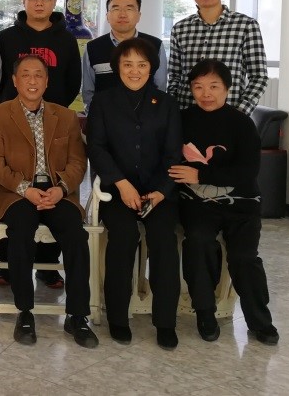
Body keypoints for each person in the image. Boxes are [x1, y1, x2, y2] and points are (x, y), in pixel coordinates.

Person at [0, 55, 98, 348]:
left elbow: (78, 162)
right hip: (15, 192)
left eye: (38, 75)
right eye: (25, 75)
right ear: (15, 81)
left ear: (46, 81)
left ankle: (78, 315)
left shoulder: (66, 117)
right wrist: (25, 189)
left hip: (58, 191)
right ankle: (25, 312)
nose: (32, 81)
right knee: (21, 232)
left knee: (75, 234)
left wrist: (61, 188)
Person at [170, 58, 278, 346]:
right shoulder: (182, 120)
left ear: (228, 89)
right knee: (198, 241)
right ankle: (205, 312)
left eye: (214, 86)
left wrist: (201, 174)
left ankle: (260, 320)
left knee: (244, 257)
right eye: (198, 87)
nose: (206, 93)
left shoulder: (242, 123)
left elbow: (248, 172)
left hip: (241, 203)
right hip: (196, 202)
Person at [86, 38, 182, 350]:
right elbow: (96, 148)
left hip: (158, 193)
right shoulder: (103, 102)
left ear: (152, 68)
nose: (134, 70)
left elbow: (173, 154)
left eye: (142, 64)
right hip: (118, 191)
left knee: (164, 240)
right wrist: (121, 183)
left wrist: (160, 191)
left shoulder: (166, 103)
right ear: (117, 67)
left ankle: (165, 322)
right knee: (123, 237)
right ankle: (117, 318)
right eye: (127, 64)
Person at [0, 0, 81, 289]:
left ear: (54, 2)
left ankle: (47, 267)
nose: (39, 2)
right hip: (13, 124)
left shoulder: (66, 39)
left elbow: (72, 82)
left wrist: (53, 116)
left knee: (52, 189)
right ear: (24, 0)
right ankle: (7, 266)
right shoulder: (6, 38)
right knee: (15, 195)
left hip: (53, 126)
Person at [167, 0, 269, 115]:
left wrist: (239, 113)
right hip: (186, 113)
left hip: (229, 114)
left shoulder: (245, 25)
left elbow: (259, 77)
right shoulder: (180, 28)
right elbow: (175, 76)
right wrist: (173, 112)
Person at [81, 0, 167, 112]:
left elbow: (160, 87)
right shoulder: (93, 47)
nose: (122, 14)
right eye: (115, 9)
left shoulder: (155, 45)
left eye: (129, 9)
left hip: (146, 117)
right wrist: (94, 116)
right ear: (107, 16)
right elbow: (88, 91)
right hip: (105, 117)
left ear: (139, 15)